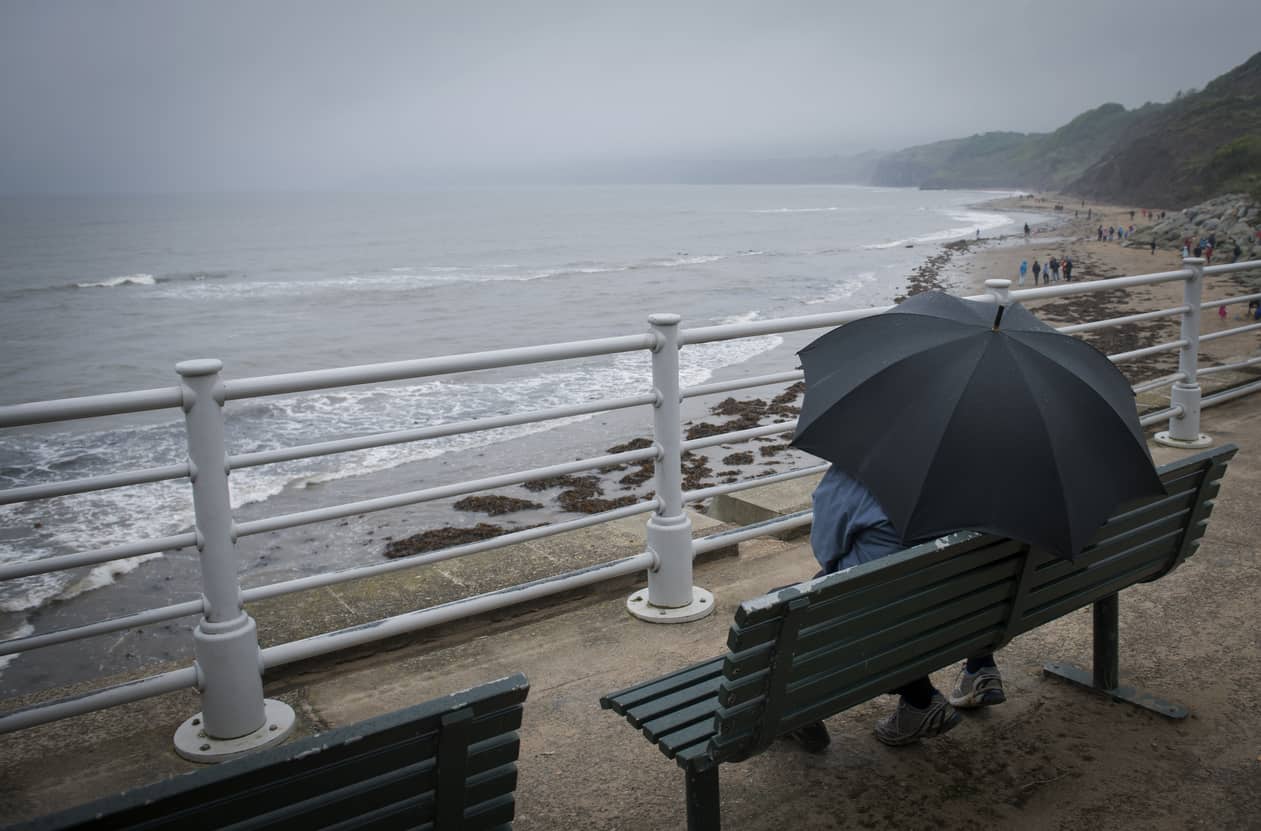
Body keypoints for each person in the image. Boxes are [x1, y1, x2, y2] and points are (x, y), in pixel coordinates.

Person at [791, 467, 1003, 749]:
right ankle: (982, 668)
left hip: (885, 630)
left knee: (796, 607)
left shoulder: (853, 476)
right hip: (975, 615)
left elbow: (825, 551)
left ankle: (921, 702)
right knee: (926, 594)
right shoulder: (985, 476)